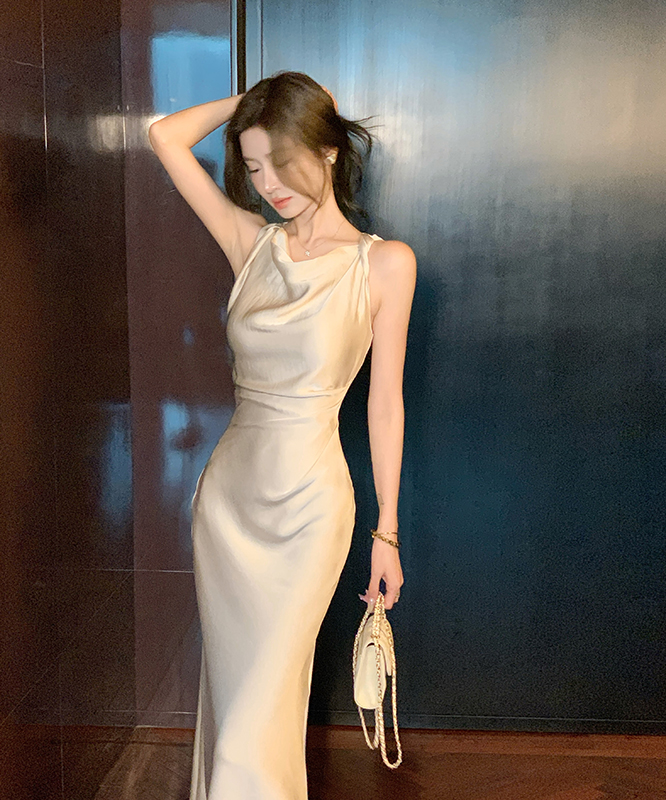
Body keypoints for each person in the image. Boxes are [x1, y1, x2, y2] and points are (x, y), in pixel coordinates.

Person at [148, 71, 415, 800]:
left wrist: (387, 533)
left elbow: (384, 405)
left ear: (329, 150)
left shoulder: (384, 264)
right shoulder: (250, 243)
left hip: (308, 512)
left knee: (259, 711)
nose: (269, 185)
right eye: (254, 167)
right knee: (239, 704)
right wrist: (254, 104)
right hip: (228, 507)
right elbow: (164, 136)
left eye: (284, 161)